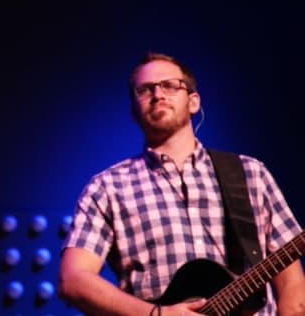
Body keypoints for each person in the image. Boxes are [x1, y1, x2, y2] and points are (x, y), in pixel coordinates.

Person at [58, 52, 305, 315]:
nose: (158, 94)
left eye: (170, 85)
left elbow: (292, 284)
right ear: (134, 110)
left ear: (194, 102)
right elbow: (73, 280)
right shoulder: (108, 187)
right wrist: (158, 314)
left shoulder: (250, 174)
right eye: (145, 90)